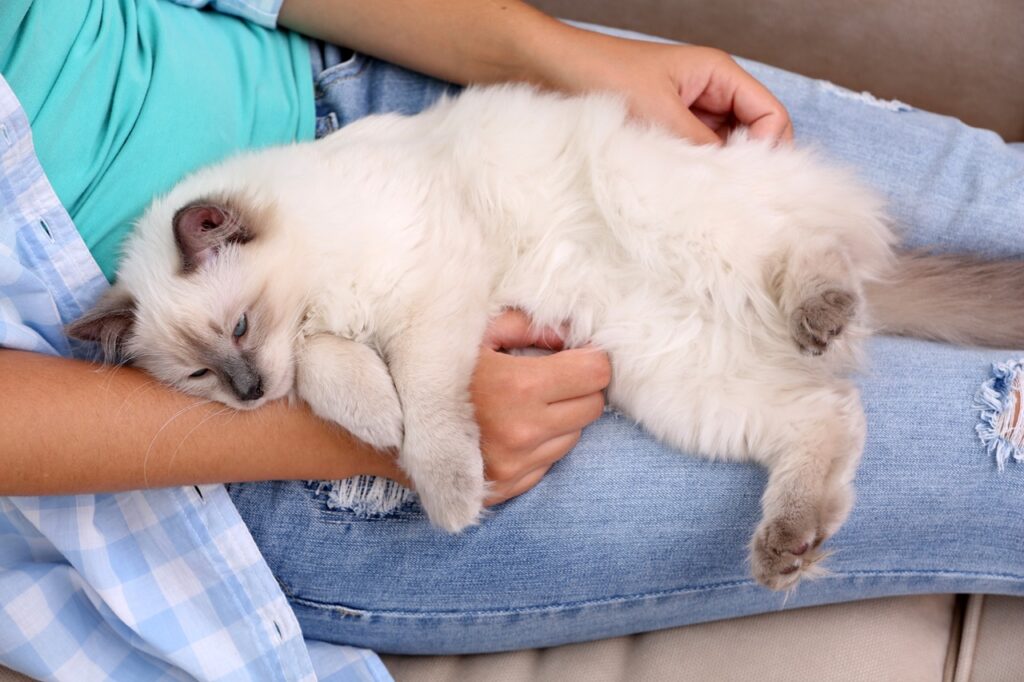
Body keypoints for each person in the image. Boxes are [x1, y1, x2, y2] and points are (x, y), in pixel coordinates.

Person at [1, 0, 1022, 678]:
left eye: (234, 339)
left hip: (364, 86)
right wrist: (366, 431)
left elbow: (424, 275)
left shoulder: (254, 241)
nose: (236, 372)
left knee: (992, 198)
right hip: (204, 468)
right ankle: (807, 432)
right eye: (209, 366)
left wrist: (555, 52)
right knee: (984, 453)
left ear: (224, 229)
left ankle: (793, 272)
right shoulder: (233, 325)